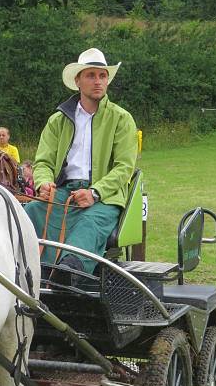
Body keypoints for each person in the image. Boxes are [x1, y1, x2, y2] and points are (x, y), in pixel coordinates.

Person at [25, 47, 137, 284]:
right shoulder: (58, 120)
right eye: (91, 75)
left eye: (102, 76)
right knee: (31, 212)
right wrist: (44, 183)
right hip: (64, 191)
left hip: (105, 196)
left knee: (89, 223)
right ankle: (29, 269)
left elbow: (124, 167)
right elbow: (43, 161)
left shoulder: (121, 118)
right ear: (78, 81)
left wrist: (95, 192)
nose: (98, 81)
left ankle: (68, 273)